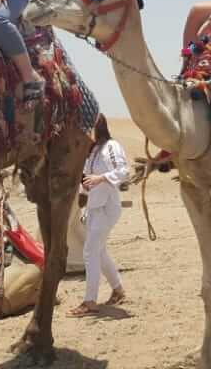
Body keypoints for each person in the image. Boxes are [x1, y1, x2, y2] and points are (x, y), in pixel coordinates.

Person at [68, 115, 130, 317]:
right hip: (93, 209)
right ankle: (118, 290)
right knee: (99, 252)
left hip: (107, 208)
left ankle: (90, 301)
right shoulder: (94, 151)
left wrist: (101, 178)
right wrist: (82, 195)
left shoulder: (112, 146)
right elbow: (87, 179)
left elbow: (123, 171)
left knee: (90, 251)